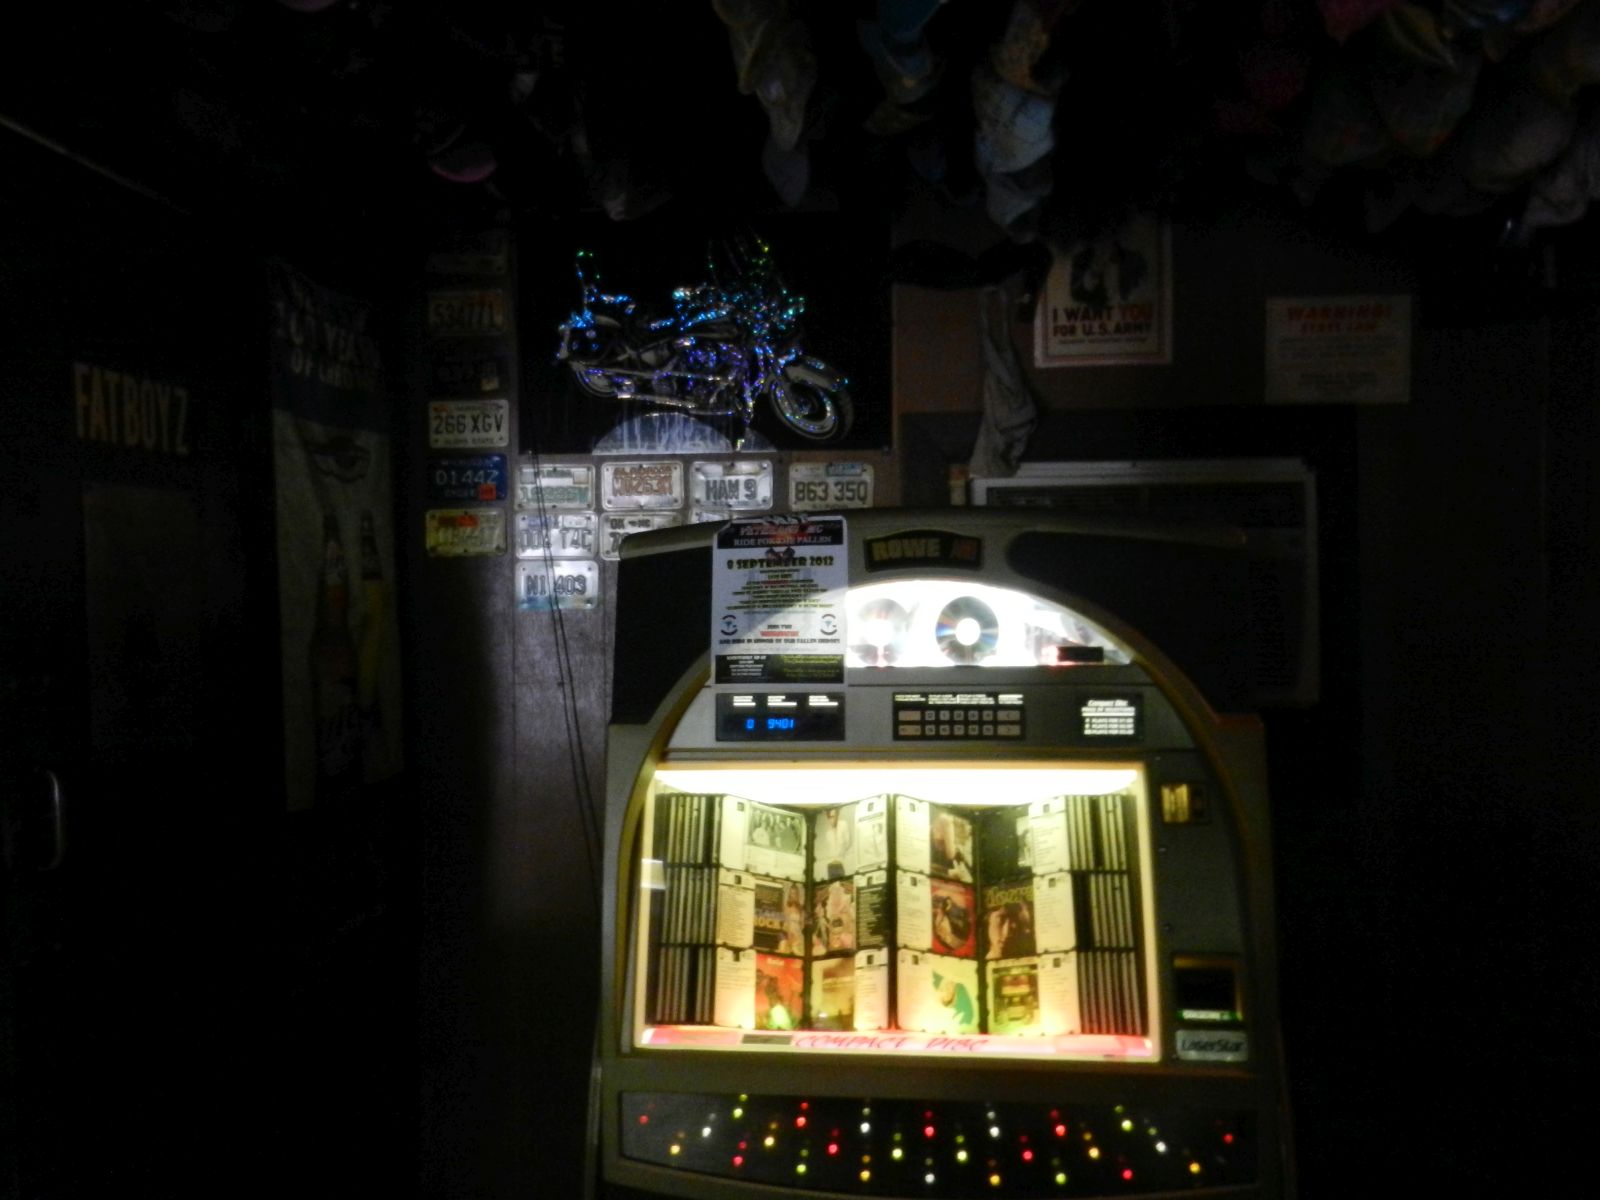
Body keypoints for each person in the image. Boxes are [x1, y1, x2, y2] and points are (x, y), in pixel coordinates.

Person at [815, 806, 854, 879]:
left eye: (834, 816)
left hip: (842, 862)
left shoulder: (843, 825)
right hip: (832, 864)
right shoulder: (828, 833)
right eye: (830, 817)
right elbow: (831, 851)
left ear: (837, 816)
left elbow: (848, 843)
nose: (832, 820)